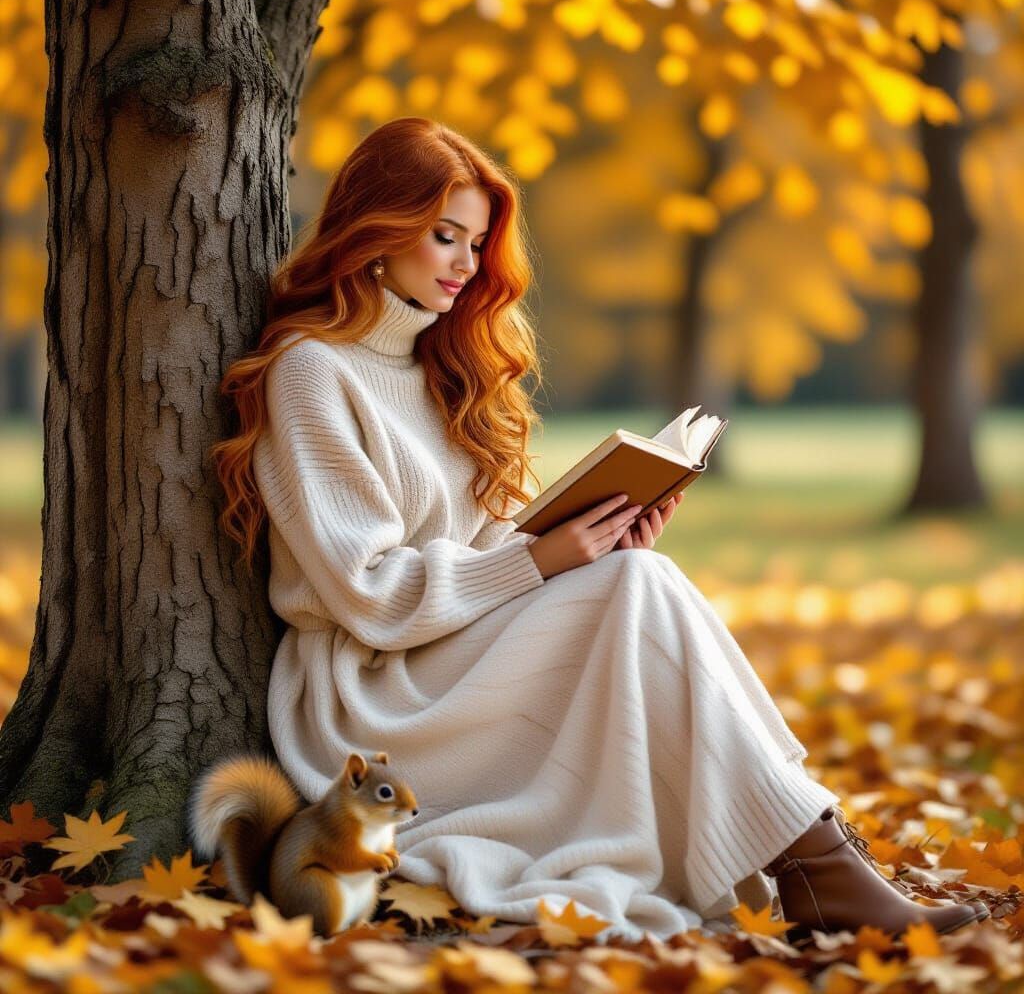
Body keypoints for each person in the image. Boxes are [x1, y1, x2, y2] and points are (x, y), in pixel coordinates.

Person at [211, 117, 988, 943]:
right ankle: (817, 865)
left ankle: (817, 859)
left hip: (447, 652)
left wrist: (591, 539)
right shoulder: (310, 371)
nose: (466, 267)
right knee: (635, 586)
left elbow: (482, 558)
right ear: (377, 229)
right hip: (367, 698)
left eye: (477, 244)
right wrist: (544, 560)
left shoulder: (439, 368)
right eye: (445, 238)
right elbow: (368, 594)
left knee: (635, 576)